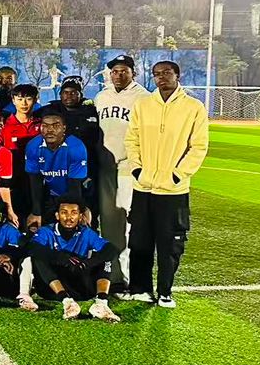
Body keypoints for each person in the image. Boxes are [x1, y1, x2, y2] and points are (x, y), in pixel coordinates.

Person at [124, 59, 209, 308]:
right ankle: (140, 288)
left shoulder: (194, 107)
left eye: (166, 73)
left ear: (177, 75)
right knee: (139, 241)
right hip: (144, 187)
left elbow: (199, 146)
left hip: (173, 190)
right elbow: (133, 140)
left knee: (170, 244)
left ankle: (165, 291)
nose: (161, 77)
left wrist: (178, 174)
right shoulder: (143, 105)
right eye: (157, 74)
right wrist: (138, 170)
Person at [94, 55, 148, 289]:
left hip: (127, 168)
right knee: (106, 223)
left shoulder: (144, 98)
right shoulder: (101, 97)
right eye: (114, 71)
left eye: (123, 70)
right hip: (103, 168)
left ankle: (122, 277)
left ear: (133, 73)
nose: (118, 74)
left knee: (124, 224)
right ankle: (109, 273)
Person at [28, 199, 120, 322]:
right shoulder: (47, 231)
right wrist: (61, 258)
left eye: (74, 213)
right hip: (53, 288)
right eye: (64, 212)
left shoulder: (85, 232)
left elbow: (111, 249)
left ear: (80, 216)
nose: (69, 217)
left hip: (80, 283)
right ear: (57, 215)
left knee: (106, 257)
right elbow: (32, 247)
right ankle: (67, 303)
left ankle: (101, 303)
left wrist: (89, 262)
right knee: (38, 257)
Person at [37, 76, 102, 210]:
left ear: (81, 94)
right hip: (58, 169)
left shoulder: (92, 111)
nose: (69, 96)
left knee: (86, 208)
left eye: (73, 92)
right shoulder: (51, 110)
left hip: (87, 168)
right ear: (60, 94)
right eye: (65, 92)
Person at [24, 111, 89, 233]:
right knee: (38, 229)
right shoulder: (33, 146)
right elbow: (35, 181)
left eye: (55, 125)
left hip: (77, 191)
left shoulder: (76, 147)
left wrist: (78, 211)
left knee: (76, 227)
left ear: (64, 128)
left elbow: (74, 185)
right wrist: (36, 212)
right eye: (45, 125)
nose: (50, 130)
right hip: (50, 194)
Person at [0, 83, 42, 224]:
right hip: (13, 184)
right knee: (13, 224)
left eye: (28, 99)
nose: (24, 103)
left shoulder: (42, 125)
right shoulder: (4, 126)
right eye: (19, 98)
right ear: (13, 100)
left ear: (35, 100)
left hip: (37, 182)